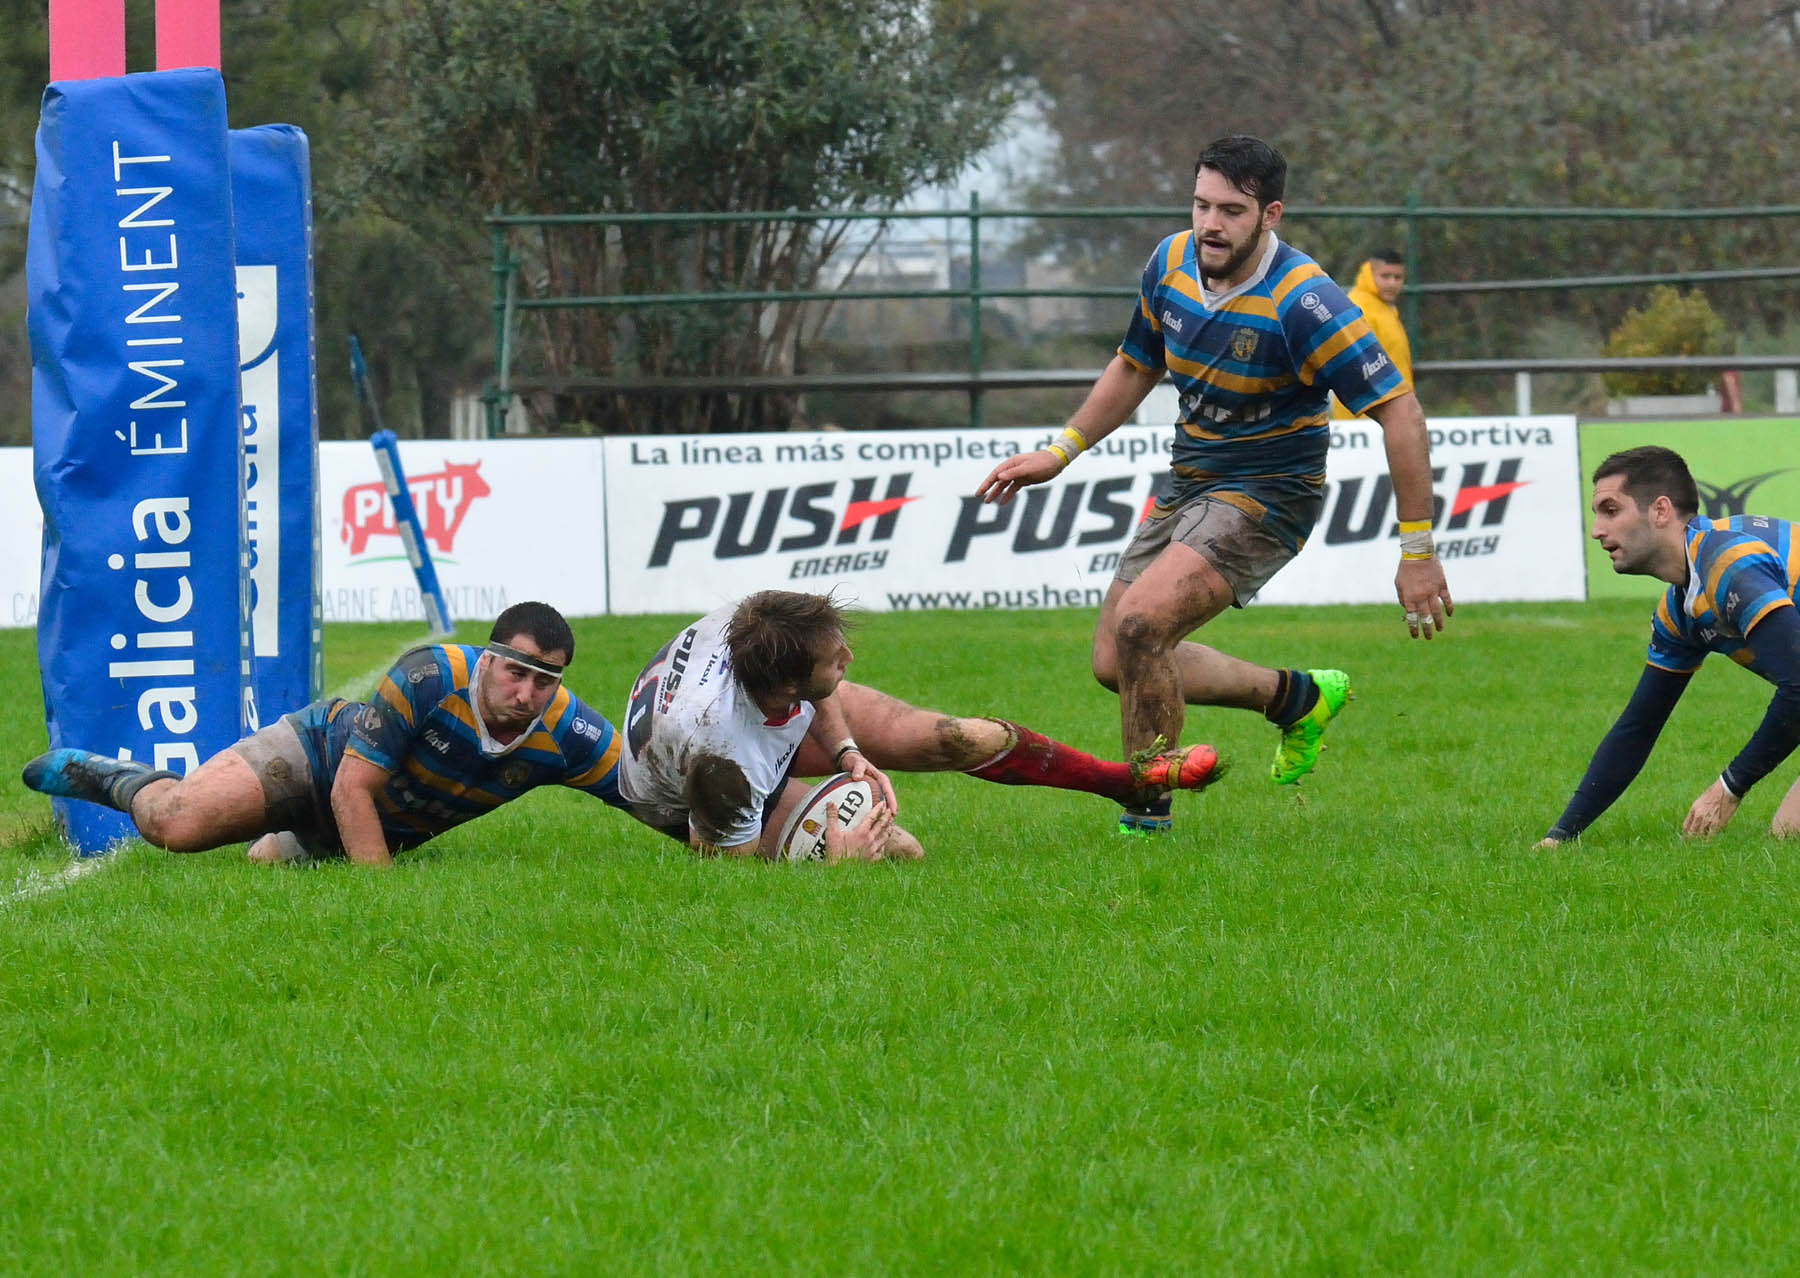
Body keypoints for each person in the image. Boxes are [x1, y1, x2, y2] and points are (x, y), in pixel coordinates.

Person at [975, 134, 1453, 836]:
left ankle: (1147, 818)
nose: (1210, 224)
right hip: (1191, 478)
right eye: (1201, 204)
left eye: (1231, 210)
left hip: (1270, 491)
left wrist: (1418, 551)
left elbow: (1401, 411)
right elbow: (1136, 364)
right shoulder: (1170, 262)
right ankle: (1295, 697)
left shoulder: (1306, 301)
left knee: (1143, 625)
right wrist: (1062, 450)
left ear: (1271, 215)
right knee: (1116, 659)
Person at [617, 589, 1223, 858]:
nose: (848, 661)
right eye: (836, 660)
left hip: (750, 719)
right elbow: (724, 865)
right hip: (689, 796)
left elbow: (814, 691)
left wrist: (848, 751)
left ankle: (1125, 780)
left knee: (961, 737)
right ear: (788, 684)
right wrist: (836, 869)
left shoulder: (761, 627)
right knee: (902, 852)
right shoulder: (725, 763)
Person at [22, 602, 626, 866]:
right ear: (488, 660)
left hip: (374, 825)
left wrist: (720, 839)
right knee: (177, 827)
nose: (526, 695)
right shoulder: (429, 674)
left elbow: (648, 792)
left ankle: (281, 835)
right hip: (318, 760)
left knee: (264, 868)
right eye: (517, 673)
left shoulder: (568, 731)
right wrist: (381, 907)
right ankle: (123, 780)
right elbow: (350, 791)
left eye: (544, 682)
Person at [1535, 446, 1800, 848]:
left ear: (1660, 511)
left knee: (1787, 839)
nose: (1597, 530)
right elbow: (1639, 726)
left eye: (1610, 510)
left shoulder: (1729, 562)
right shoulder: (1681, 608)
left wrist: (1729, 787)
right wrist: (1561, 836)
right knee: (1787, 838)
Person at [1333, 247, 1413, 421]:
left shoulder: (1384, 309)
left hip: (1389, 413)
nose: (1392, 283)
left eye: (1398, 277)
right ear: (1370, 273)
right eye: (1385, 276)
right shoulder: (1359, 308)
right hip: (1367, 420)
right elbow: (1356, 370)